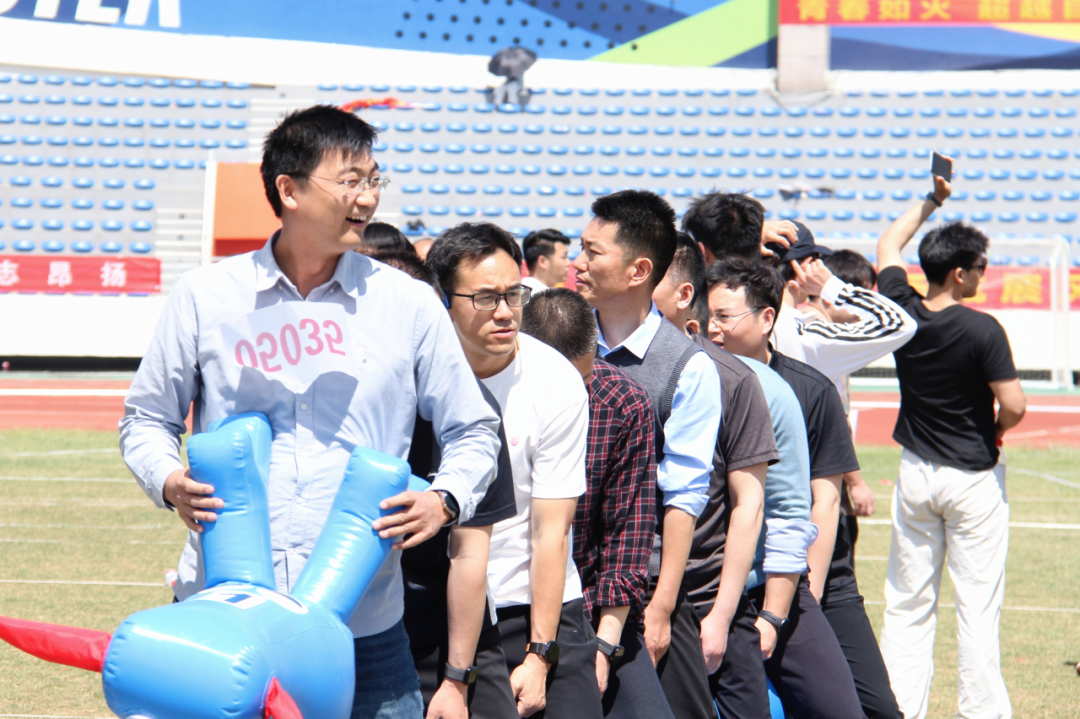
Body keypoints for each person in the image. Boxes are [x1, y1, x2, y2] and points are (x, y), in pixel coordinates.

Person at [119, 105, 501, 719]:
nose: (367, 197)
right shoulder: (206, 297)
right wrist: (168, 480)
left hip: (362, 621)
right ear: (289, 190)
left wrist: (445, 498)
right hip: (224, 614)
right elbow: (146, 418)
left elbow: (474, 427)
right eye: (349, 180)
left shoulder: (407, 304)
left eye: (373, 179)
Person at [427, 223, 603, 719]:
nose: (505, 312)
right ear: (445, 301)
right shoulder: (419, 373)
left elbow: (551, 530)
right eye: (485, 298)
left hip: (533, 603)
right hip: (441, 607)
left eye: (513, 294)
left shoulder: (555, 380)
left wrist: (540, 653)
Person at [876, 175, 1026, 719]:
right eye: (981, 266)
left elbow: (888, 245)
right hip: (973, 478)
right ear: (961, 273)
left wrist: (932, 201)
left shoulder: (902, 311)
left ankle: (899, 708)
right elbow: (1014, 404)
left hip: (916, 471)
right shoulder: (983, 329)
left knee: (907, 603)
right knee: (977, 607)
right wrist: (998, 430)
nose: (984, 273)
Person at [573, 190, 722, 719]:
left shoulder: (688, 367)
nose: (577, 262)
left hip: (641, 585)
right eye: (580, 247)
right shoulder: (556, 342)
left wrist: (660, 606)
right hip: (560, 580)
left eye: (592, 252)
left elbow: (683, 496)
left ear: (639, 270)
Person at [705, 258, 869, 719]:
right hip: (710, 588)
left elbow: (804, 506)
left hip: (778, 581)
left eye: (725, 316)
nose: (713, 328)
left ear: (767, 319)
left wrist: (778, 611)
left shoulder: (793, 391)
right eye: (707, 315)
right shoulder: (693, 378)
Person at [377, 247, 520, 719]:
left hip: (438, 638)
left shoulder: (471, 413)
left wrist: (456, 679)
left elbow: (469, 554)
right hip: (339, 631)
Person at [521, 288, 674, 719]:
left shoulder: (624, 403)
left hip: (589, 607)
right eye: (562, 383)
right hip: (510, 607)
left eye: (585, 379)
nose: (577, 395)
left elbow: (627, 537)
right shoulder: (494, 396)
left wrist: (605, 647)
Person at [651, 235, 782, 719]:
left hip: (706, 596)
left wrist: (723, 616)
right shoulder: (596, 364)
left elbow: (750, 504)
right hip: (628, 593)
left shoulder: (734, 380)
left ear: (684, 293)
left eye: (650, 276)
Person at [522, 229, 571, 294]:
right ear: (542, 261)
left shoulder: (521, 292)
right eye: (563, 257)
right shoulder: (536, 296)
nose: (568, 263)